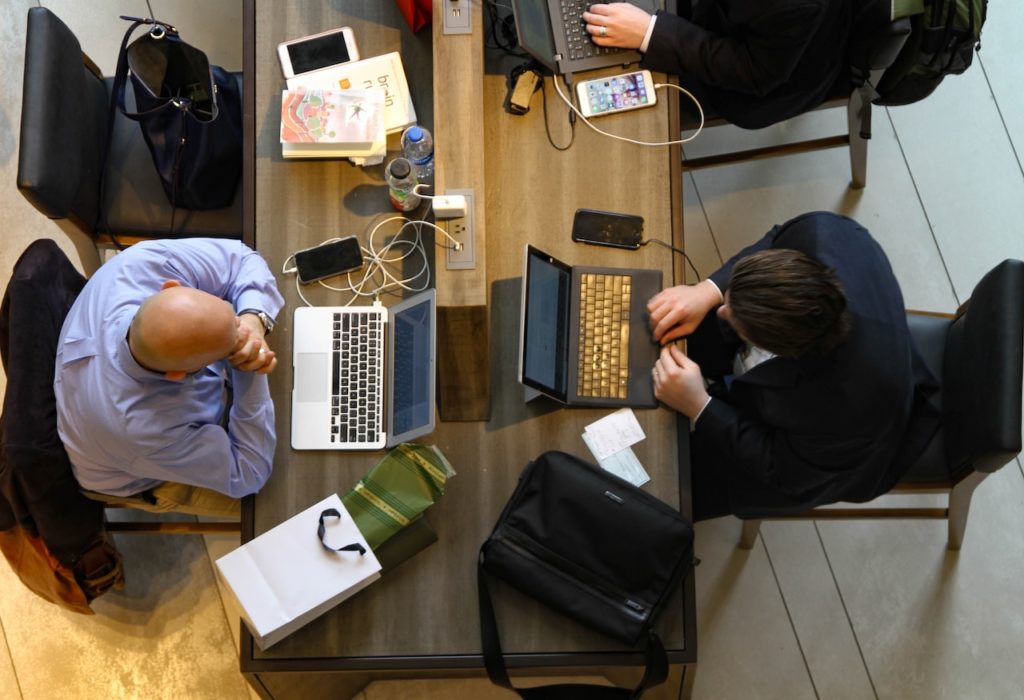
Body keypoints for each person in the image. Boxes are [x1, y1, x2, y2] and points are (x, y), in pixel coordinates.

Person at [647, 212, 940, 521]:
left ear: (776, 350)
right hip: (833, 364)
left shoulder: (848, 408)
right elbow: (775, 239)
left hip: (818, 458)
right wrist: (707, 291)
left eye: (735, 317)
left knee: (663, 492)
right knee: (665, 329)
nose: (722, 311)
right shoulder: (822, 234)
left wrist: (700, 406)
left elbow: (783, 470)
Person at [54, 238, 285, 518]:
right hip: (134, 473)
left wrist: (252, 320)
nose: (241, 336)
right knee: (276, 507)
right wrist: (249, 363)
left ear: (172, 286)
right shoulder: (143, 431)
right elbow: (248, 474)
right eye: (227, 348)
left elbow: (242, 259)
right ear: (178, 375)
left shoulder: (143, 264)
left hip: (111, 421)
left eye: (230, 317)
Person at [581, 0, 850, 129]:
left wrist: (650, 33)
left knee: (624, 121)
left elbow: (754, 72)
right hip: (723, 20)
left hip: (750, 77)